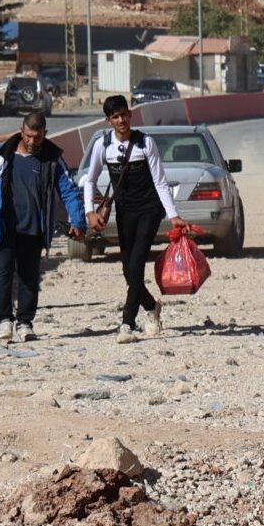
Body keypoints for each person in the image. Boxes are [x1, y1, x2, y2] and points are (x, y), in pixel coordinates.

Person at [0, 112, 85, 343]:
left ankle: (25, 322)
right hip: (4, 226)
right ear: (21, 131)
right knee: (3, 274)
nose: (32, 141)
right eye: (28, 136)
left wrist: (78, 221)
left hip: (34, 227)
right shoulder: (3, 154)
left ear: (44, 134)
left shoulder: (52, 158)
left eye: (37, 137)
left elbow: (68, 190)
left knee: (30, 277)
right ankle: (3, 320)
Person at [81, 95, 188, 344]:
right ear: (109, 120)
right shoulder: (103, 145)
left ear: (131, 115)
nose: (122, 120)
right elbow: (90, 180)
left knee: (137, 262)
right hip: (125, 211)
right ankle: (151, 306)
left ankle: (127, 323)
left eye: (125, 114)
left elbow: (160, 182)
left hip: (149, 210)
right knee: (128, 270)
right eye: (116, 116)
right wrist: (90, 212)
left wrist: (173, 216)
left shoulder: (145, 142)